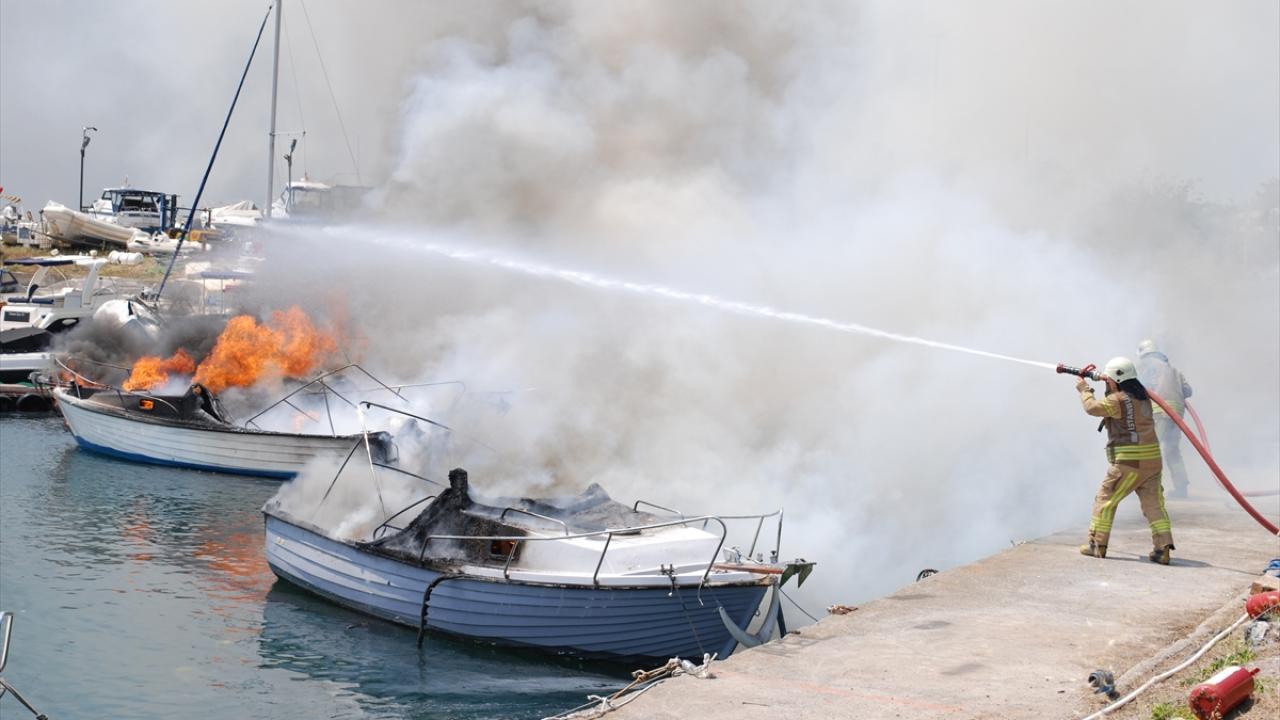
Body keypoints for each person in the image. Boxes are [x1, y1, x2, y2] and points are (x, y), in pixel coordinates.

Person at [1075, 356, 1175, 564]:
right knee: (1154, 505)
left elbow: (1092, 408)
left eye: (1109, 380)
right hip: (1152, 462)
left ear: (1118, 380)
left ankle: (1097, 545)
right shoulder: (1143, 397)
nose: (1107, 382)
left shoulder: (1118, 400)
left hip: (1129, 463)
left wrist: (1085, 389)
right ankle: (1163, 548)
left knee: (1105, 500)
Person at [1136, 339, 1194, 498]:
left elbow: (1138, 386)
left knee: (1150, 449)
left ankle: (1145, 487)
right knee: (1172, 450)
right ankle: (1181, 488)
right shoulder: (1173, 369)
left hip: (1159, 410)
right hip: (1176, 413)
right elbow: (1188, 391)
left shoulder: (1145, 364)